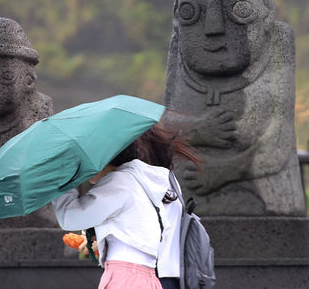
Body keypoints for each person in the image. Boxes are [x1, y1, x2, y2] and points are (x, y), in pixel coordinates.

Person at [52, 116, 199, 289]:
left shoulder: (121, 182)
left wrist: (59, 180)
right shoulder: (152, 180)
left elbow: (70, 217)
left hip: (130, 275)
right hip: (152, 274)